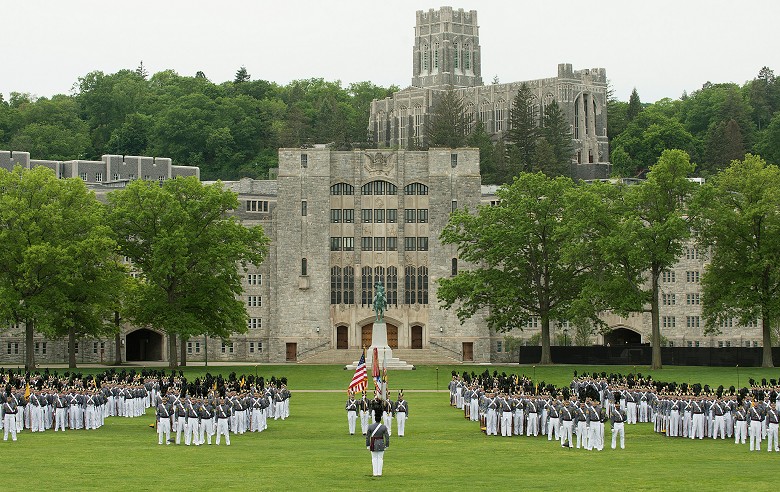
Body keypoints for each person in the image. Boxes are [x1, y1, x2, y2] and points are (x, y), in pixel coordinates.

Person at [366, 410, 390, 477]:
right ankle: (379, 473)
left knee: (374, 458)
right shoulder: (384, 427)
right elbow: (387, 437)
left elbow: (367, 437)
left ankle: (375, 473)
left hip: (373, 443)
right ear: (380, 419)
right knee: (380, 458)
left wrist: (368, 445)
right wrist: (387, 445)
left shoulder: (370, 426)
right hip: (381, 443)